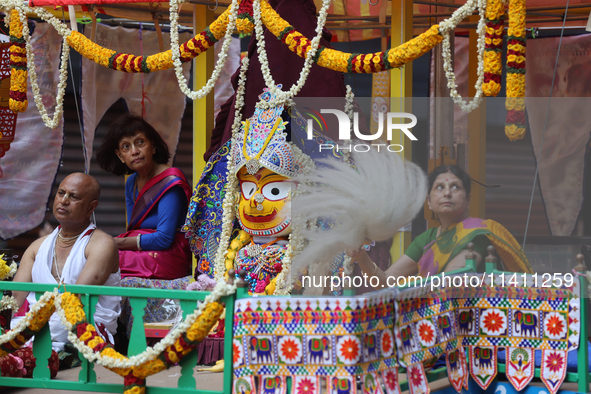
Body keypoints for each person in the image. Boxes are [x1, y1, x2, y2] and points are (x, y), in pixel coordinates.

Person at [349, 165, 532, 286]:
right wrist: (361, 256)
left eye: (455, 187)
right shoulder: (426, 240)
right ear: (428, 201)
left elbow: (450, 280)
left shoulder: (477, 234)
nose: (447, 193)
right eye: (439, 188)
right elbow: (385, 281)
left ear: (468, 199)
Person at [12, 173, 121, 350]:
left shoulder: (102, 244)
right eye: (61, 193)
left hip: (82, 337)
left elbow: (75, 301)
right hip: (34, 333)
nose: (63, 200)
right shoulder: (37, 246)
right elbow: (15, 298)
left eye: (74, 196)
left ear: (91, 207)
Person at [96, 113, 192, 280]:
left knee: (103, 256)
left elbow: (164, 238)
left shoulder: (170, 181)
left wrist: (113, 243)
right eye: (126, 147)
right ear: (120, 156)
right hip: (145, 250)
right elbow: (133, 230)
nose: (135, 151)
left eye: (140, 142)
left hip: (170, 254)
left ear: (152, 147)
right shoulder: (131, 182)